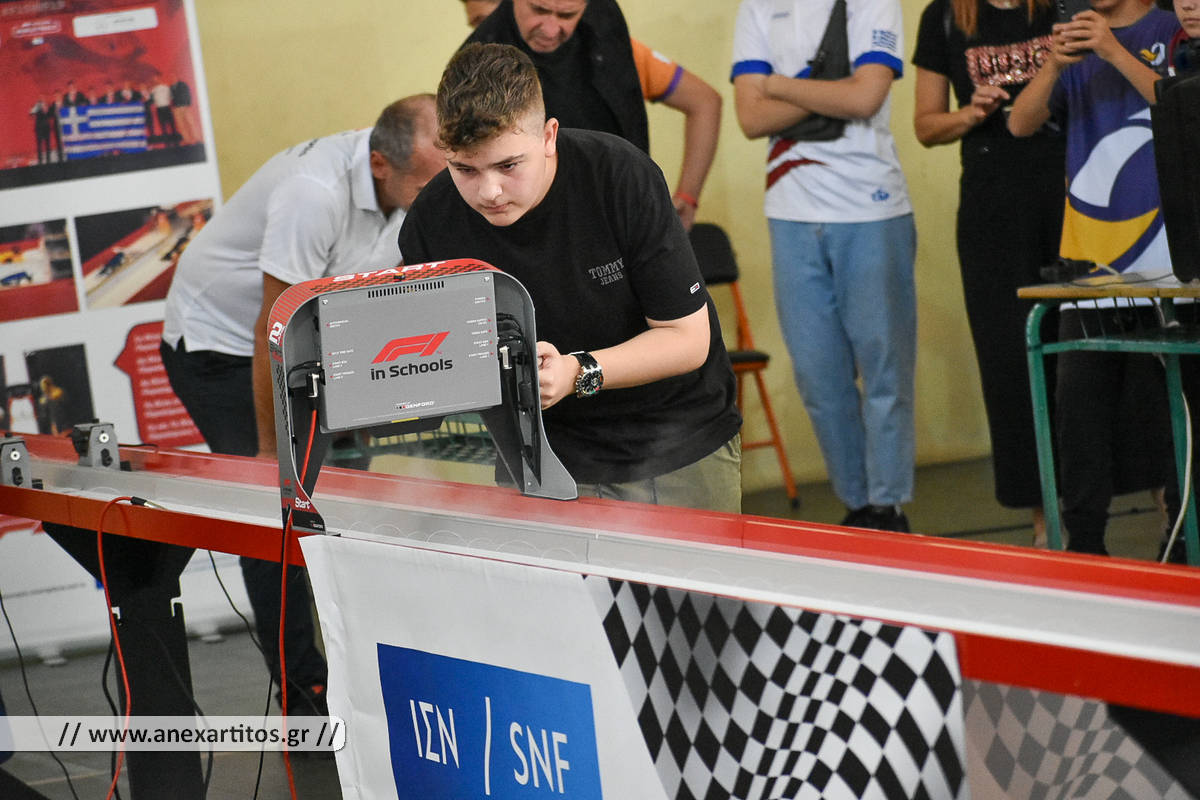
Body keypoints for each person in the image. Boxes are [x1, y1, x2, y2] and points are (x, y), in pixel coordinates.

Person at [160, 95, 445, 714]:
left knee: (345, 491)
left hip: (315, 337)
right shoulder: (312, 194)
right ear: (380, 165)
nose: (443, 195)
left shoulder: (417, 174)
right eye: (429, 186)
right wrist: (271, 452)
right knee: (278, 507)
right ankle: (304, 692)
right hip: (222, 347)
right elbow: (275, 327)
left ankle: (364, 668)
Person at [399, 43, 743, 512]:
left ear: (548, 137)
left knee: (689, 567)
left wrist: (576, 371)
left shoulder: (619, 177)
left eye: (508, 165)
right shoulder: (432, 219)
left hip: (675, 441)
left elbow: (687, 339)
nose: (489, 191)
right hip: (540, 453)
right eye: (464, 169)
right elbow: (432, 356)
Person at [731, 0, 917, 532]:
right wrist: (829, 89)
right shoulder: (758, 7)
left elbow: (865, 97)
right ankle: (857, 503)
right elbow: (750, 117)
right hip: (790, 209)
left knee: (885, 368)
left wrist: (778, 84)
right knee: (818, 376)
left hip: (871, 207)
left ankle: (887, 504)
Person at [1008, 0, 1180, 555]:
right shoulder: (1074, 38)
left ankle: (1181, 537)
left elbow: (1181, 107)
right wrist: (1052, 66)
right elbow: (1019, 124)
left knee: (1174, 414)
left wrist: (1113, 50)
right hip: (1091, 263)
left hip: (1171, 259)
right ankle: (1084, 545)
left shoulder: (1173, 27)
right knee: (1079, 414)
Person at [911, 0, 1064, 541]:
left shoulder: (1061, 7)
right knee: (1010, 362)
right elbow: (926, 126)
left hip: (1071, 189)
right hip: (992, 204)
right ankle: (1044, 517)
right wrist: (970, 114)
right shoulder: (945, 16)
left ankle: (1154, 499)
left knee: (1093, 352)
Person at [464, 0, 720, 230]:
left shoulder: (615, 52)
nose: (551, 30)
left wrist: (687, 196)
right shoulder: (474, 76)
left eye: (566, 15)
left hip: (624, 217)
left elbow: (705, 102)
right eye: (539, 10)